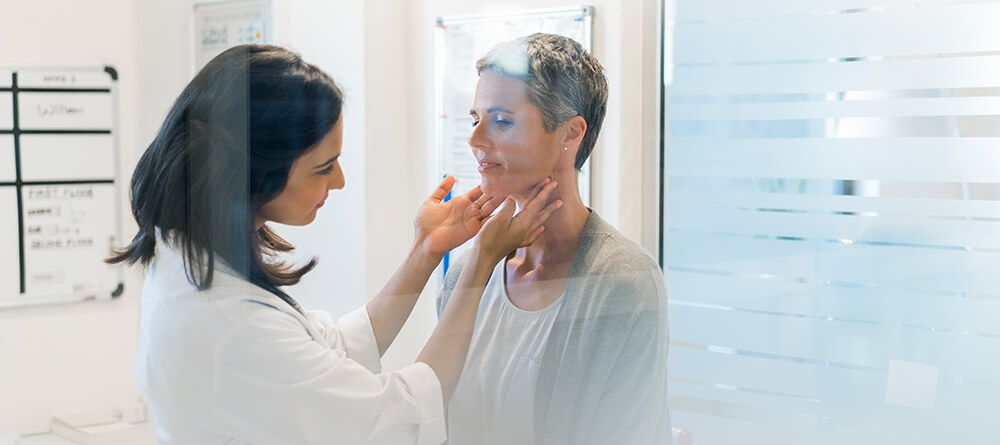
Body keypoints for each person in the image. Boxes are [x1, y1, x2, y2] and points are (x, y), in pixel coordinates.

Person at [106, 44, 561, 445]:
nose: (339, 181)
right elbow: (399, 417)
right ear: (251, 172)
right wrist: (481, 261)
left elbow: (335, 349)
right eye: (323, 168)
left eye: (503, 121)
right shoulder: (228, 324)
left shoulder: (190, 258)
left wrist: (426, 250)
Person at [437, 33, 670, 445]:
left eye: (501, 121)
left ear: (570, 134)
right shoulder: (464, 274)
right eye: (475, 120)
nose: (474, 140)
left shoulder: (624, 284)